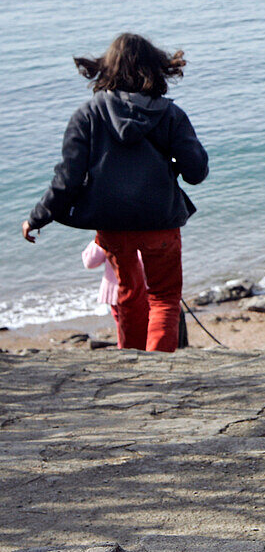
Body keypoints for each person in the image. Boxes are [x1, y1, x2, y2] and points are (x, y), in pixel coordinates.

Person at [22, 33, 208, 352]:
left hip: (113, 225)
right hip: (160, 220)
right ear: (154, 69)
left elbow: (66, 179)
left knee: (129, 294)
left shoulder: (88, 114)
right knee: (164, 297)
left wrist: (38, 218)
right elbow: (196, 173)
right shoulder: (170, 115)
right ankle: (161, 370)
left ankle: (132, 367)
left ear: (107, 69)